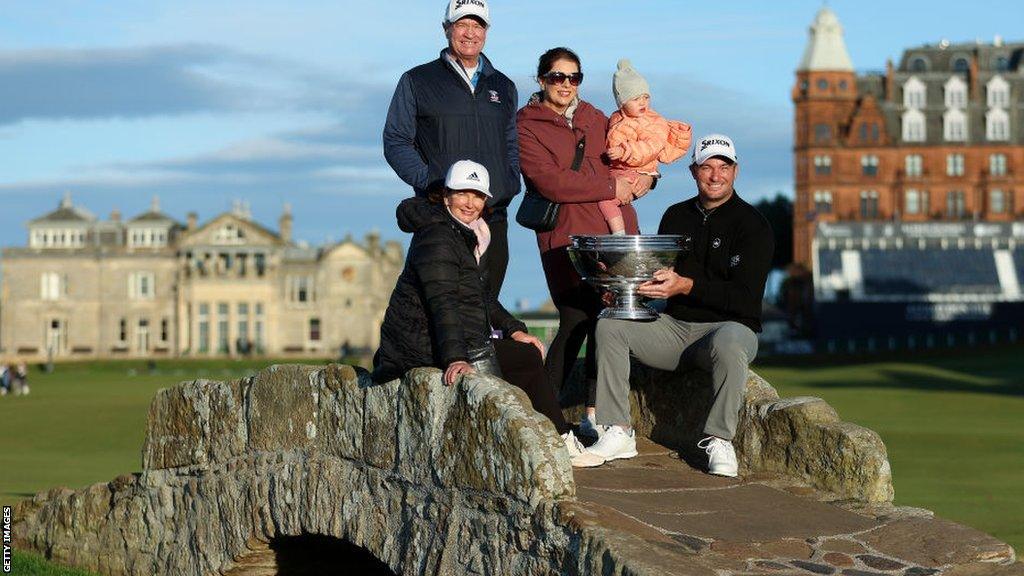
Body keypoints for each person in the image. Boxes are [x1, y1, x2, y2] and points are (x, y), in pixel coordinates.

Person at [373, 160, 603, 468]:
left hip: (436, 339)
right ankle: (559, 440)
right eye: (462, 194)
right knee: (525, 360)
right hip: (418, 346)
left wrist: (514, 328)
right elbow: (443, 303)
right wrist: (456, 356)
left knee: (523, 351)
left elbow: (478, 297)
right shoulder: (438, 238)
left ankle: (547, 438)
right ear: (446, 196)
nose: (470, 203)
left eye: (478, 195)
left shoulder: (462, 233)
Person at [587, 134, 774, 477]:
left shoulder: (754, 225)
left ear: (736, 171)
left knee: (730, 341)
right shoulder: (676, 215)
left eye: (724, 166)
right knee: (610, 324)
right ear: (693, 171)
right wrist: (625, 285)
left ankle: (719, 440)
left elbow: (746, 300)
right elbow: (661, 279)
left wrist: (686, 286)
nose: (715, 175)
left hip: (727, 331)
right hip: (674, 330)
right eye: (707, 167)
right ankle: (618, 431)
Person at [517, 47, 655, 439]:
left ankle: (597, 413)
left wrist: (649, 177)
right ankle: (542, 413)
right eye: (557, 77)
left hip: (615, 230)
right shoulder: (527, 124)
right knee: (575, 316)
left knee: (608, 319)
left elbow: (630, 153)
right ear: (542, 79)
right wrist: (612, 185)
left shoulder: (597, 117)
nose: (565, 85)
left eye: (573, 77)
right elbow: (550, 181)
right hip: (566, 233)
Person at [383, 0, 519, 300]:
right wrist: (432, 182)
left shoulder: (504, 86)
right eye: (462, 24)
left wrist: (509, 182)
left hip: (493, 212)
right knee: (442, 306)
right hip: (441, 214)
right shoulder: (417, 80)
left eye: (477, 25)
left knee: (486, 307)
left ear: (486, 31)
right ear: (447, 29)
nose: (470, 33)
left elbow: (511, 143)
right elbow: (396, 140)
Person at [600, 59, 692, 235]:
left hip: (637, 173)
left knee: (606, 200)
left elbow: (651, 147)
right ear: (621, 102)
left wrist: (624, 151)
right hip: (621, 171)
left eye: (646, 97)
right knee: (601, 193)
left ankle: (619, 238)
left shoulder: (652, 121)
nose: (643, 103)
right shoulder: (616, 118)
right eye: (636, 98)